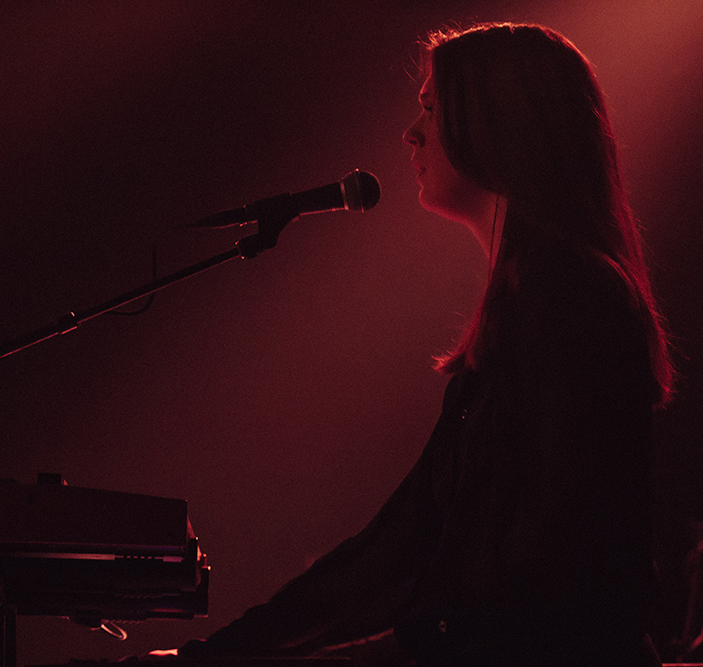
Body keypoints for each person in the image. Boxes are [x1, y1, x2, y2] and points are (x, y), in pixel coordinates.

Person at [172, 22, 675, 667]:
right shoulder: (529, 303)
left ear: (497, 126)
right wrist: (215, 654)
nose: (410, 133)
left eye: (432, 109)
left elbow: (556, 564)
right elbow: (396, 549)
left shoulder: (575, 299)